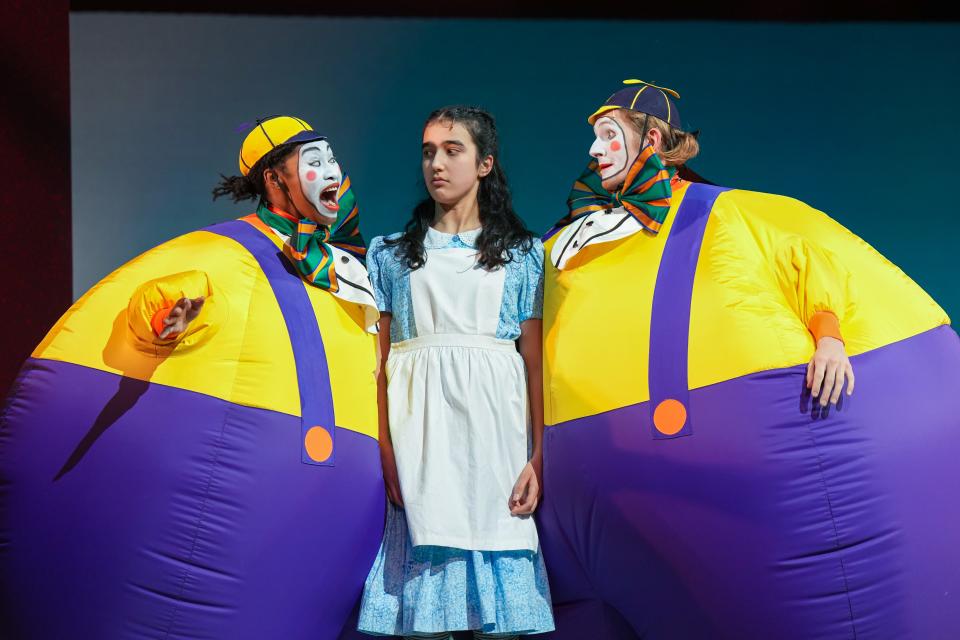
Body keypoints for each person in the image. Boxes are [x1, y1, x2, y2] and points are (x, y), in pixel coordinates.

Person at [536, 80, 960, 639]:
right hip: (568, 499)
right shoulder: (561, 246)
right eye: (594, 137)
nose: (594, 151)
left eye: (609, 136)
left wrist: (829, 335)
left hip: (714, 502)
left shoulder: (733, 217)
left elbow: (810, 259)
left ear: (653, 138)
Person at [0, 116, 384, 639]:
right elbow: (161, 305)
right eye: (313, 163)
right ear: (275, 180)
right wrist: (170, 316)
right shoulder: (226, 256)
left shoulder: (350, 269)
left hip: (332, 523)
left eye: (331, 159)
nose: (331, 171)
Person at [356, 106, 555, 639]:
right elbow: (377, 364)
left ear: (485, 163)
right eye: (427, 152)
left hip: (494, 438)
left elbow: (534, 363)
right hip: (420, 437)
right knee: (425, 608)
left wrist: (538, 454)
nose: (436, 164)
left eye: (452, 150)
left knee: (498, 610)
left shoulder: (523, 255)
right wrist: (384, 448)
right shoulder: (392, 256)